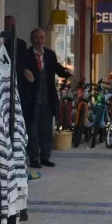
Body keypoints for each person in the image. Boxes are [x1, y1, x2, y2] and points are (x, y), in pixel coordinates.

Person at [17, 28, 73, 168]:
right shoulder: (25, 55)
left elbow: (56, 68)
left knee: (46, 130)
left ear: (45, 39)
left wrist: (66, 72)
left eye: (41, 37)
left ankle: (45, 157)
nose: (39, 40)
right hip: (32, 100)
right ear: (31, 39)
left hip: (47, 99)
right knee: (32, 130)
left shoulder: (50, 55)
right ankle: (34, 158)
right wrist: (24, 72)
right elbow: (18, 70)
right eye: (36, 37)